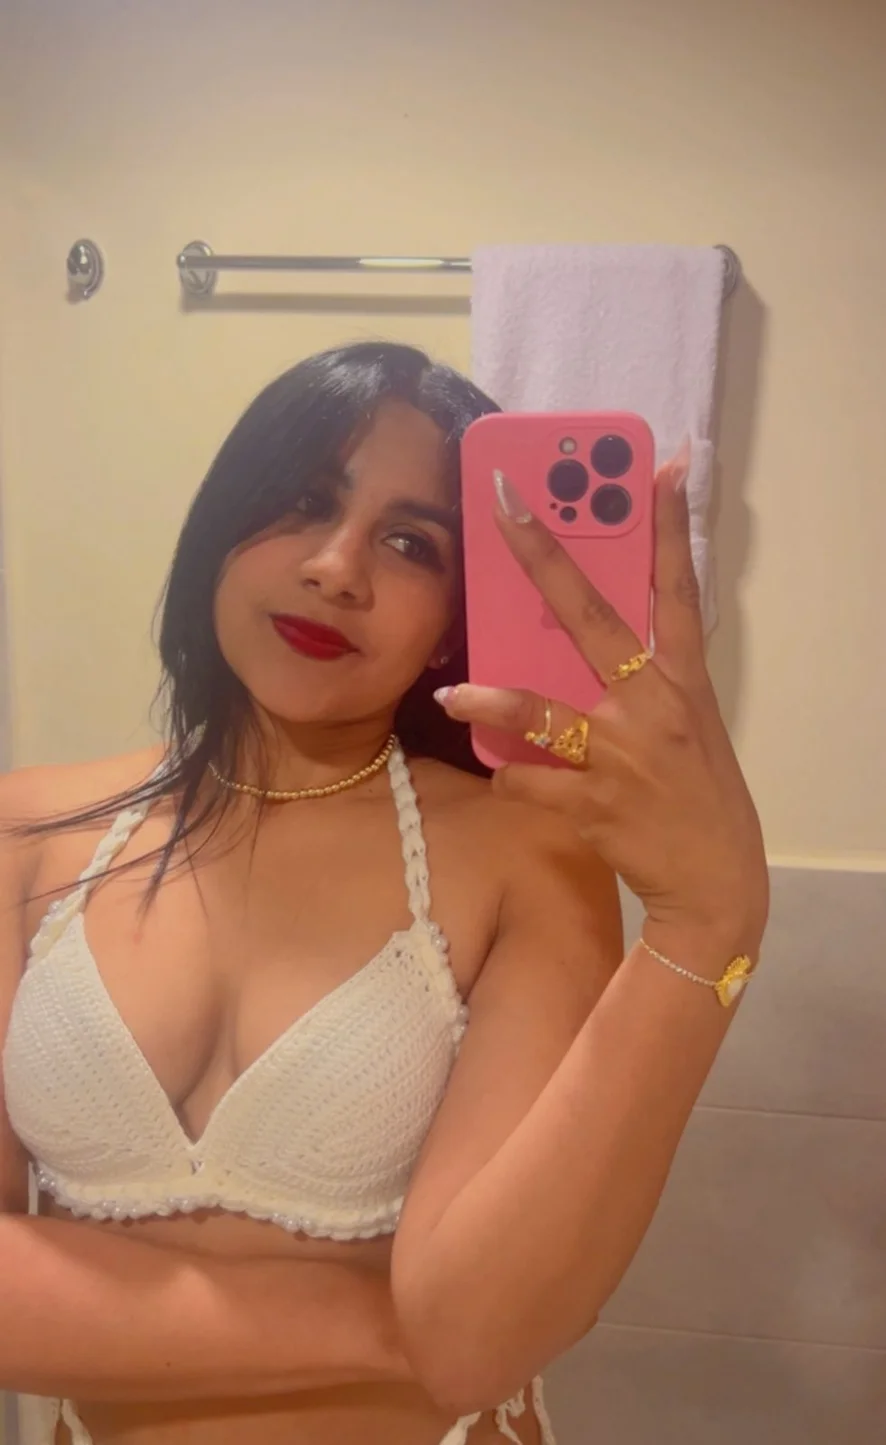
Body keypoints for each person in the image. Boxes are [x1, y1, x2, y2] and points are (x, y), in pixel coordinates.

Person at [0, 342, 768, 1445]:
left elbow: (477, 1337)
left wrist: (710, 922)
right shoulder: (25, 834)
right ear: (222, 520)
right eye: (304, 500)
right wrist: (379, 1326)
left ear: (456, 614)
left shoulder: (528, 853)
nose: (336, 567)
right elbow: (439, 1337)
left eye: (411, 542)